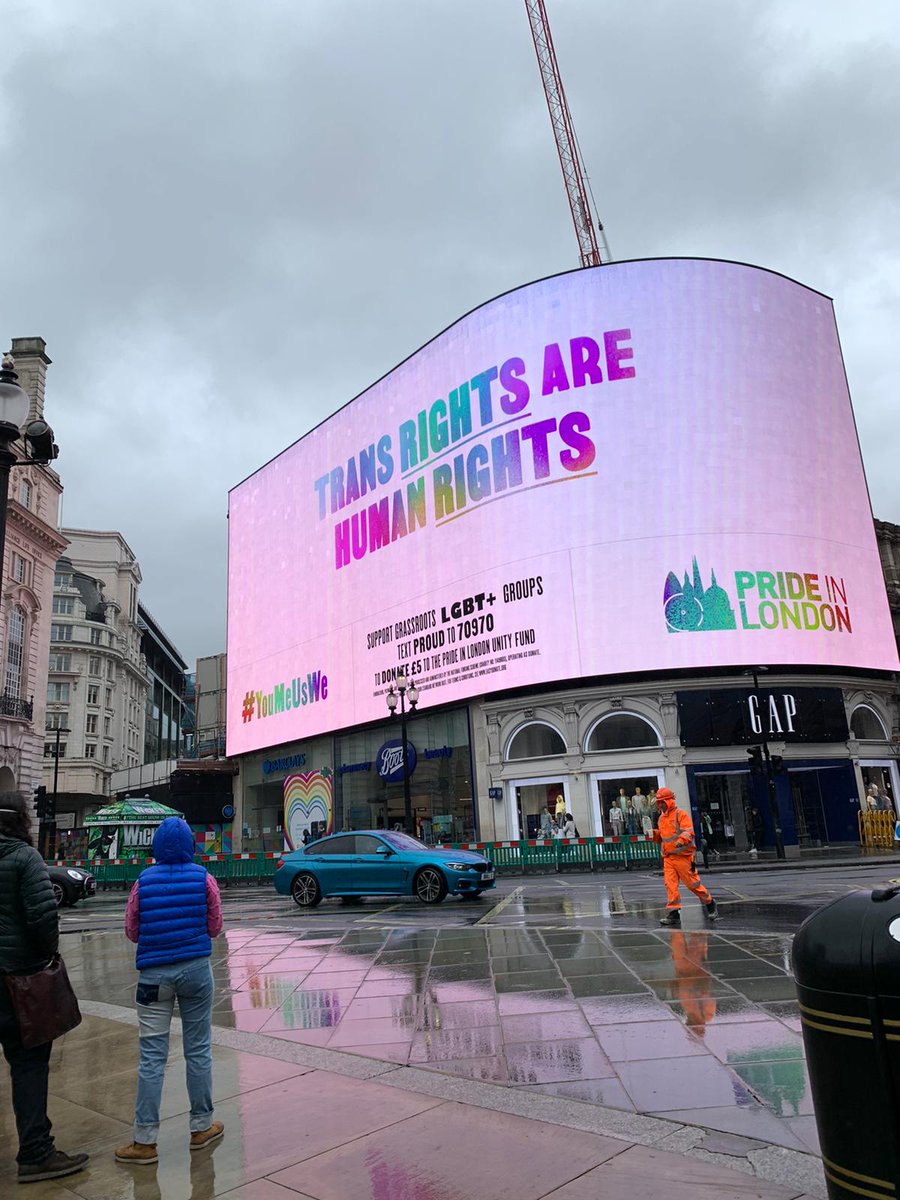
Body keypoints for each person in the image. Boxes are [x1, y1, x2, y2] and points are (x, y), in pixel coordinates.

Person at [115, 817, 224, 1165]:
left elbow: (132, 930)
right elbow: (215, 926)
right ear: (191, 845)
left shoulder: (142, 881)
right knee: (198, 1048)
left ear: (157, 847)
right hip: (195, 970)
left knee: (151, 1056)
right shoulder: (203, 877)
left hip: (153, 976)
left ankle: (144, 1141)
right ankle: (201, 1127)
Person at [0, 794, 89, 1184]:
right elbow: (42, 921)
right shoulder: (24, 858)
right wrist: (46, 956)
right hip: (17, 981)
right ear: (21, 819)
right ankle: (35, 1152)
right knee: (29, 1065)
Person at [653, 787, 718, 925]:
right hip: (669, 857)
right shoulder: (661, 818)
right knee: (670, 885)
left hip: (683, 857)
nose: (660, 805)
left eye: (662, 802)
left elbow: (688, 832)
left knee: (693, 884)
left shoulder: (680, 814)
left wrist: (681, 841)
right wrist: (654, 834)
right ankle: (674, 913)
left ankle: (710, 903)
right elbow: (663, 838)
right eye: (659, 802)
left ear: (668, 801)